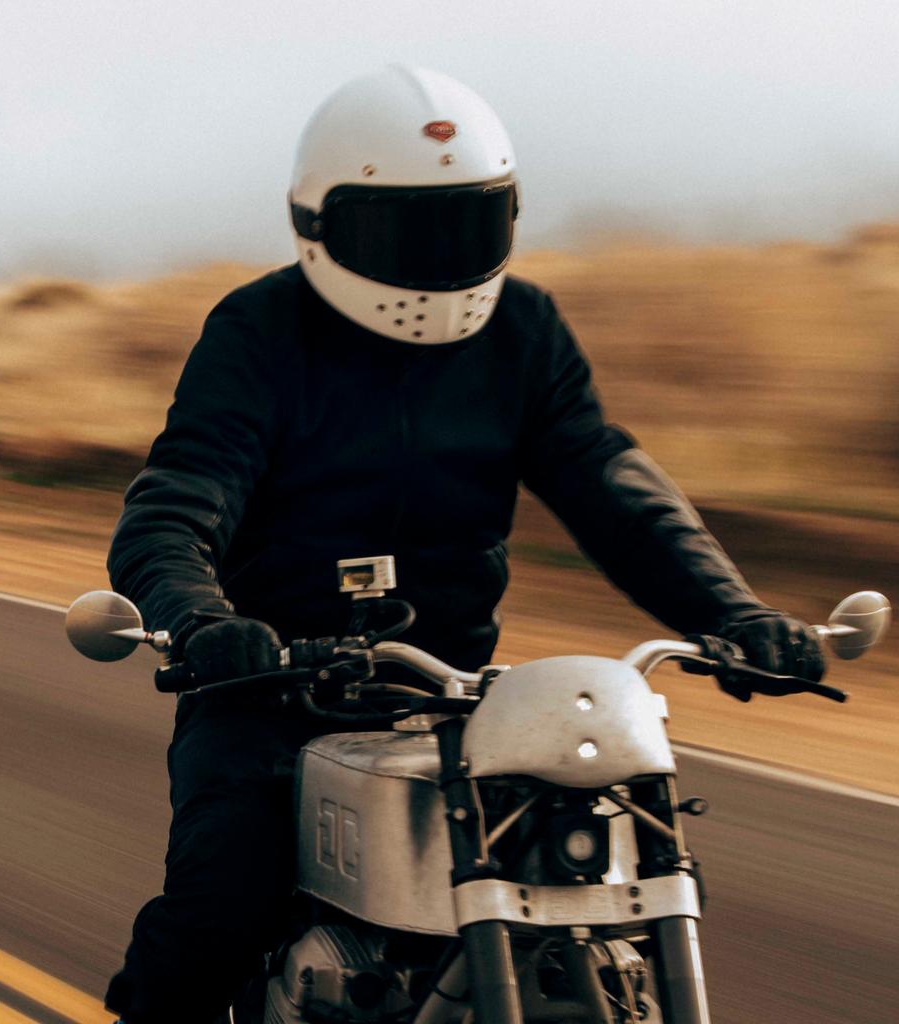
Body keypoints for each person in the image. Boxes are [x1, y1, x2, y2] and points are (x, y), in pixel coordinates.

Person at [101, 65, 828, 1023]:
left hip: (458, 698)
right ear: (318, 225)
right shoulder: (260, 332)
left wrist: (731, 612)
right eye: (401, 231)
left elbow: (612, 487)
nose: (437, 262)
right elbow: (181, 496)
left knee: (607, 879)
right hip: (269, 688)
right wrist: (201, 621)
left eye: (464, 224)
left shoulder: (523, 330)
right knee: (220, 901)